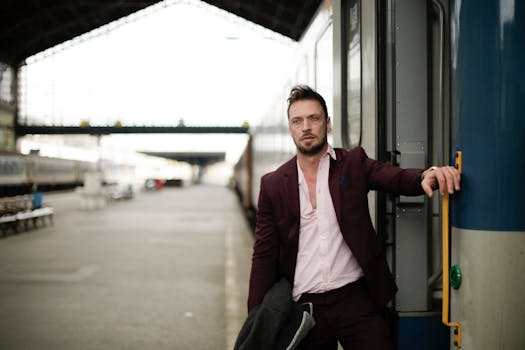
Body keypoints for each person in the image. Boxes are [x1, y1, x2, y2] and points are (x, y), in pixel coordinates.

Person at [247, 85, 461, 349]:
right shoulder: (274, 184)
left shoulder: (353, 163)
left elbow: (392, 176)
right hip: (304, 307)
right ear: (290, 127)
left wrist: (426, 175)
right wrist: (255, 319)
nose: (306, 127)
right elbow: (264, 255)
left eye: (314, 118)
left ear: (327, 123)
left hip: (354, 300)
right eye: (297, 121)